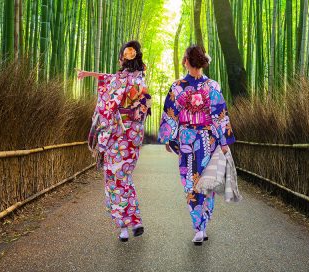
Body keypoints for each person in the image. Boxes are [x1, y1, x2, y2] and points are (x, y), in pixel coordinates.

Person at [157, 45, 235, 245]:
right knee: (207, 180)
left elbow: (170, 114)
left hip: (188, 139)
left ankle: (199, 226)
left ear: (186, 61)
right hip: (208, 139)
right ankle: (203, 224)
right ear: (202, 62)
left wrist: (168, 137)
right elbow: (220, 115)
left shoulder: (177, 86)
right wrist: (224, 142)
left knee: (191, 182)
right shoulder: (213, 86)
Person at [77, 41, 151, 242]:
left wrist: (129, 112)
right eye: (126, 52)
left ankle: (127, 224)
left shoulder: (138, 78)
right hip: (118, 133)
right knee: (119, 178)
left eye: (130, 52)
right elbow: (107, 80)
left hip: (125, 133)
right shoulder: (123, 78)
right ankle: (130, 222)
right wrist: (88, 74)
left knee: (119, 178)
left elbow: (142, 102)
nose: (127, 55)